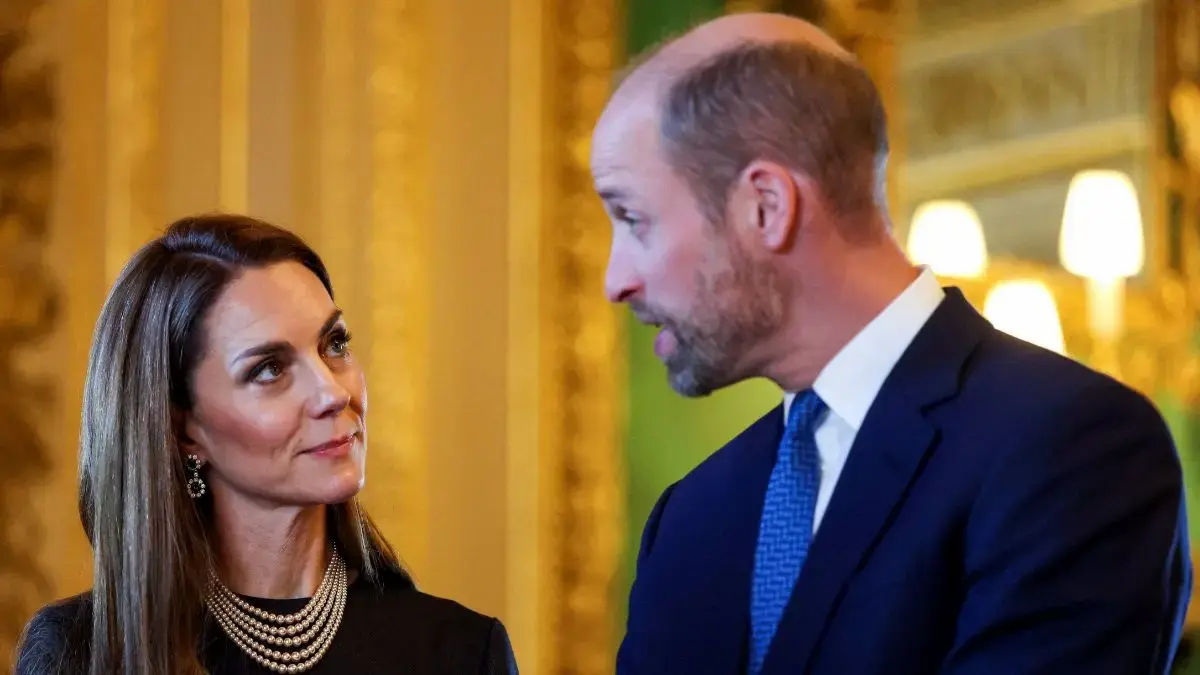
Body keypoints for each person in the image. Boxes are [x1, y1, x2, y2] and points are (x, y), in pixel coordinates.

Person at [594, 12, 1192, 675]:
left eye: (632, 218)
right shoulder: (691, 516)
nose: (617, 281)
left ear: (766, 205)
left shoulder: (1073, 447)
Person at [15, 214, 518, 675]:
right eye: (270, 369)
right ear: (183, 429)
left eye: (334, 345)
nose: (333, 392)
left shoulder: (461, 652)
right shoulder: (77, 652)